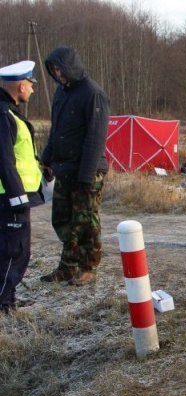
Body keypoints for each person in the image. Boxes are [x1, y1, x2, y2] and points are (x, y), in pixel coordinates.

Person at [39, 47, 110, 286]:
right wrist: (46, 159)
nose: (58, 74)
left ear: (71, 66)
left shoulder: (93, 94)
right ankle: (67, 267)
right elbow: (56, 131)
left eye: (60, 68)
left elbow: (95, 138)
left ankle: (88, 267)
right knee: (62, 220)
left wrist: (86, 176)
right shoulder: (61, 93)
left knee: (86, 221)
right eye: (54, 70)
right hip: (64, 169)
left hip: (87, 171)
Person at [0, 61, 45, 314]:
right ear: (21, 85)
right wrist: (17, 196)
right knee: (13, 253)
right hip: (9, 197)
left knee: (10, 250)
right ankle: (3, 305)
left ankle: (7, 301)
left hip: (10, 194)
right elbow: (4, 159)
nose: (32, 89)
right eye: (31, 84)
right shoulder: (3, 115)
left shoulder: (9, 112)